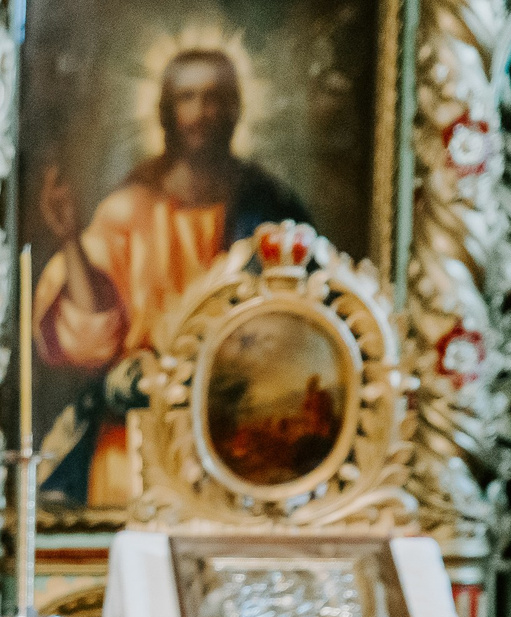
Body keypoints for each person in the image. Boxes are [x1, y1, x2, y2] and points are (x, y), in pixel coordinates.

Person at [33, 48, 312, 511]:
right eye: (187, 98)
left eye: (215, 98)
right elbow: (87, 339)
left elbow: (302, 329)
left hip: (242, 445)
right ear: (166, 111)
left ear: (236, 109)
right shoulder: (127, 209)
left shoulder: (270, 208)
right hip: (136, 442)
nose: (202, 113)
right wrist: (69, 241)